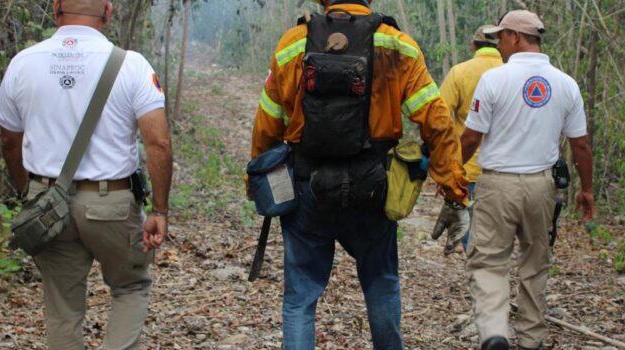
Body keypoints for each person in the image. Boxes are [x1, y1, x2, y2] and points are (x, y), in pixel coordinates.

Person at [249, 0, 470, 348]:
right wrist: (454, 192)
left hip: (308, 186)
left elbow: (267, 123)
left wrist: (256, 182)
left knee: (300, 298)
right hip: (373, 186)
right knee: (381, 284)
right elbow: (437, 123)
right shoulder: (397, 44)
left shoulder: (292, 43)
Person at [0, 1, 172, 349]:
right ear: (107, 12)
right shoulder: (131, 65)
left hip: (47, 203)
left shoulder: (23, 63)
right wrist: (160, 211)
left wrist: (27, 192)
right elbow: (159, 143)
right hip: (112, 204)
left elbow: (8, 140)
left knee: (62, 306)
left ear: (56, 9)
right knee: (130, 286)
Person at [460, 10, 595, 350]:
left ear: (516, 37)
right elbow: (580, 144)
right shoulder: (566, 84)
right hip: (542, 186)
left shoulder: (494, 80)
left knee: (490, 261)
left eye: (501, 37)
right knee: (536, 262)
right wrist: (587, 190)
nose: (498, 44)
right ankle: (531, 340)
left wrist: (452, 174)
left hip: (497, 185)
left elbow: (470, 139)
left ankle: (494, 333)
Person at [440, 25, 503, 252]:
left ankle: (481, 278)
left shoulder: (460, 72)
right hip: (506, 170)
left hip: (469, 168)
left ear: (473, 45)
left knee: (472, 235)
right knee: (499, 235)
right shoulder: (512, 72)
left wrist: (443, 165)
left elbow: (441, 119)